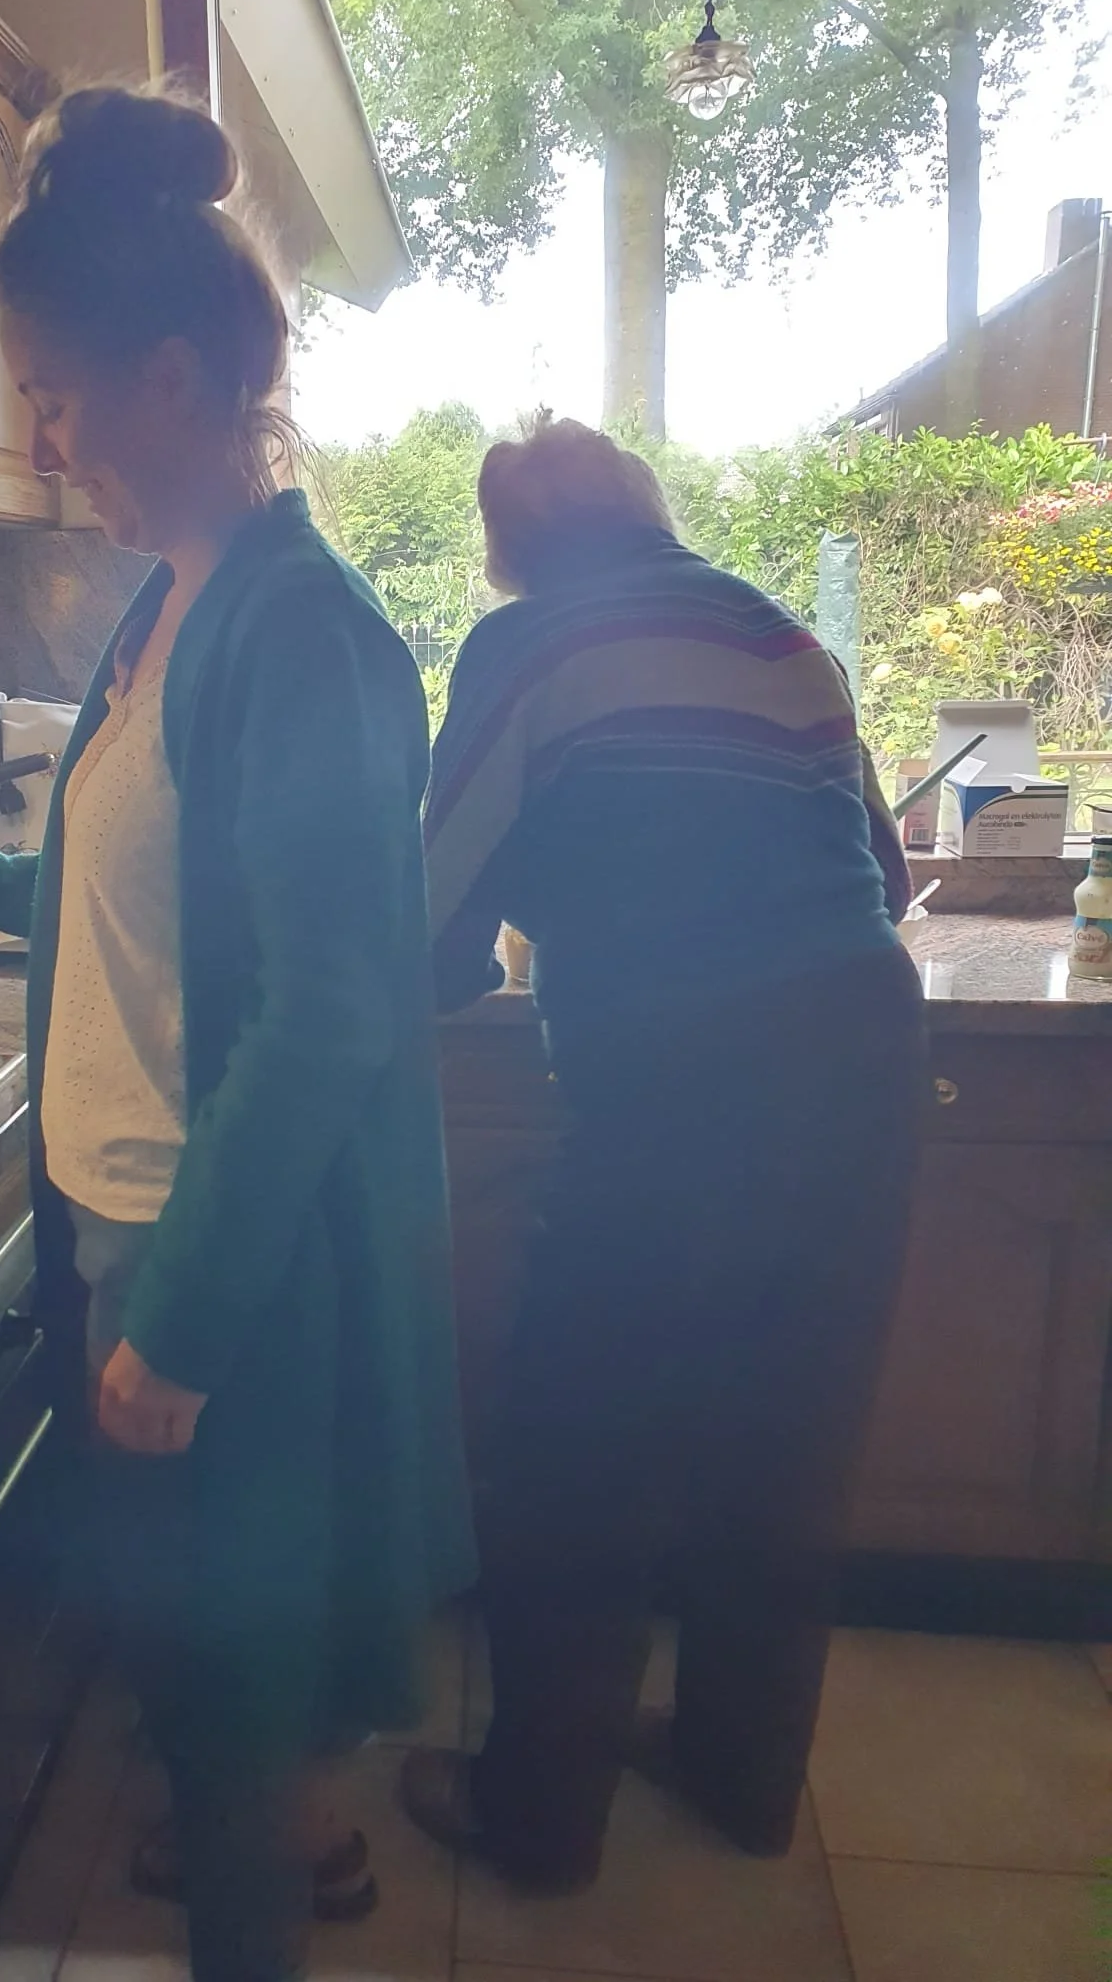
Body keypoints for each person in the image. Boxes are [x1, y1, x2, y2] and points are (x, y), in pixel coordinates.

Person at [0, 85, 473, 1982]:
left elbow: (328, 1007)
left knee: (232, 1713)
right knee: (202, 1702)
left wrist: (183, 1321)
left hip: (228, 1266)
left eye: (55, 393)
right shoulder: (164, 608)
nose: (41, 437)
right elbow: (124, 885)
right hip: (121, 1220)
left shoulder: (304, 632)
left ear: (177, 377)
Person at [401, 416, 924, 1891]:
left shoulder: (525, 648)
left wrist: (479, 957)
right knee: (785, 1444)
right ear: (652, 513)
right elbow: (884, 880)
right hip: (867, 1062)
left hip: (686, 1086)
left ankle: (537, 1820)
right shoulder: (782, 636)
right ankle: (742, 1777)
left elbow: (429, 916)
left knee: (583, 1446)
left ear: (508, 549)